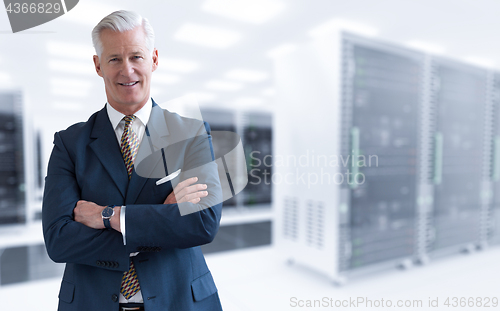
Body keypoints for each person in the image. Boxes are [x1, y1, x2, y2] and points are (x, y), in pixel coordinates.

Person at [42, 10, 223, 311]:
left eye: (136, 57)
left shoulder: (190, 133)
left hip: (180, 300)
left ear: (153, 59)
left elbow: (203, 223)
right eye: (114, 59)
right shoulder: (70, 143)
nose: (127, 71)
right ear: (98, 65)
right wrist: (159, 221)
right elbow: (59, 240)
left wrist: (108, 217)